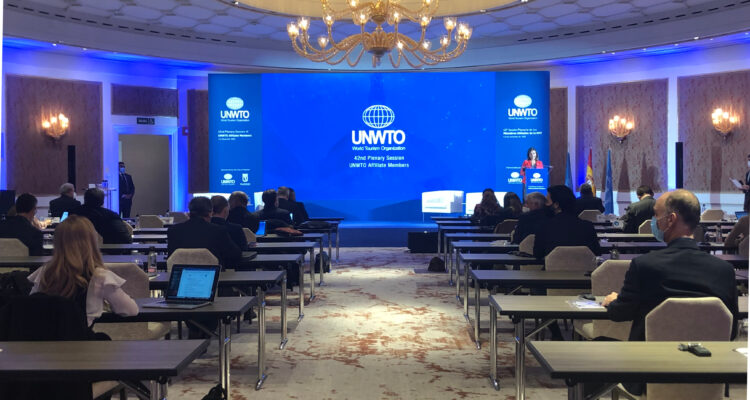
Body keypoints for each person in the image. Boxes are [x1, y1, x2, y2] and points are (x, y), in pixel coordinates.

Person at [602, 189, 739, 395]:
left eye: (656, 215)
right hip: (708, 374)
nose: (653, 221)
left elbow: (620, 313)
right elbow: (731, 329)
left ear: (671, 219)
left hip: (649, 374)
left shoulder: (644, 265)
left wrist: (614, 301)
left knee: (595, 352)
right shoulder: (724, 270)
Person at [27, 215, 138, 327]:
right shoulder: (99, 276)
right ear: (92, 242)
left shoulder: (45, 272)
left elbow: (32, 305)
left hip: (45, 336)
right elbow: (130, 310)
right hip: (81, 336)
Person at [168, 196, 242, 269]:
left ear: (189, 212)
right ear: (210, 213)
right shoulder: (218, 231)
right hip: (212, 275)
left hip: (180, 274)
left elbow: (171, 257)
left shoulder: (173, 230)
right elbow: (235, 255)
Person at [533, 185, 601, 259]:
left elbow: (538, 254)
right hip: (583, 266)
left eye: (547, 201)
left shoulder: (543, 227)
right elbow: (596, 252)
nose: (545, 204)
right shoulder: (588, 226)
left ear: (556, 205)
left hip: (553, 266)